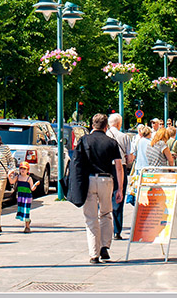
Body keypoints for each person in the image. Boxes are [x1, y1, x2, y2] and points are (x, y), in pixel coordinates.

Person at [76, 114, 124, 264]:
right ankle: (105, 246)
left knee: (91, 218)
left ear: (92, 125)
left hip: (89, 180)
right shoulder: (111, 142)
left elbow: (77, 163)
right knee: (106, 213)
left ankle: (93, 254)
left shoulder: (84, 140)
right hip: (106, 180)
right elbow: (119, 167)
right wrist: (120, 189)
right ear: (106, 127)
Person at [106, 113, 133, 241]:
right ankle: (117, 230)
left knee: (105, 196)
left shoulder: (104, 136)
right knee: (118, 196)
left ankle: (105, 226)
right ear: (119, 124)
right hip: (119, 167)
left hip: (105, 169)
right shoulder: (124, 137)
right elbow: (130, 158)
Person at [13, 161, 39, 232]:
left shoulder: (29, 178)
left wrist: (36, 185)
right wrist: (9, 176)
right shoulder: (18, 177)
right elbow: (12, 182)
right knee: (22, 210)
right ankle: (28, 221)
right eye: (21, 168)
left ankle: (27, 226)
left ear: (27, 170)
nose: (22, 170)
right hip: (20, 196)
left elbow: (32, 188)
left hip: (27, 197)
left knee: (26, 210)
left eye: (24, 169)